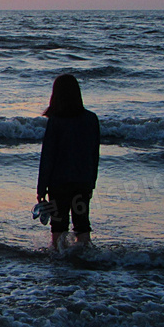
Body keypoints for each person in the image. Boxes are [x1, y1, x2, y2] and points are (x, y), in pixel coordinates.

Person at [37, 74, 100, 250]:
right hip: (83, 180)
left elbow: (48, 156)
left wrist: (41, 189)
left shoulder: (56, 121)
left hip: (59, 183)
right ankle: (85, 258)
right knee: (82, 224)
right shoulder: (91, 119)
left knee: (58, 225)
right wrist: (91, 182)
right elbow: (94, 154)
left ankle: (58, 261)